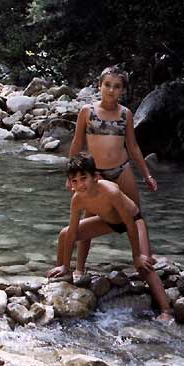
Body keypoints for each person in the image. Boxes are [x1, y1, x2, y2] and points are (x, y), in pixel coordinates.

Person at [48, 153, 171, 320]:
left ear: (96, 177)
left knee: (144, 265)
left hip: (133, 221)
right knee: (64, 234)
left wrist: (137, 256)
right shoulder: (77, 199)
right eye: (75, 181)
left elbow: (129, 223)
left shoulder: (111, 191)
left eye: (84, 178)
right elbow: (72, 233)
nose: (80, 184)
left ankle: (166, 311)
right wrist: (65, 265)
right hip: (108, 221)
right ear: (70, 184)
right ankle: (63, 277)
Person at [68, 66, 157, 281]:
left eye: (116, 87)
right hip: (93, 173)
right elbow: (77, 143)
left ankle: (145, 258)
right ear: (99, 86)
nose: (111, 90)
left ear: (123, 90)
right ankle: (80, 267)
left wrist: (147, 175)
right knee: (88, 218)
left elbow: (133, 147)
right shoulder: (87, 112)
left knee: (136, 216)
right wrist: (70, 175)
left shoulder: (125, 114)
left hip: (121, 169)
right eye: (107, 85)